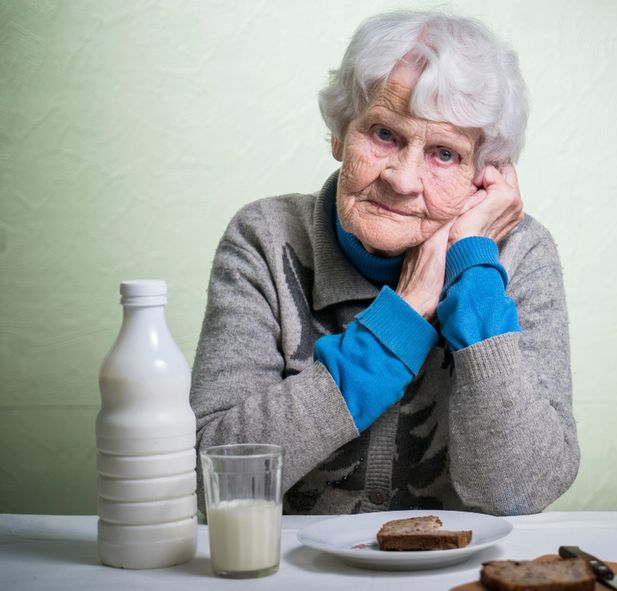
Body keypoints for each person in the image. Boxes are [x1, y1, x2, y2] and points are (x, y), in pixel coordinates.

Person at [191, 9, 579, 516]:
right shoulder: (265, 240)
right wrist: (400, 322)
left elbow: (521, 491)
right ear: (339, 133)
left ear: (484, 176)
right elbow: (210, 477)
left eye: (444, 154)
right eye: (384, 134)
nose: (401, 179)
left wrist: (477, 274)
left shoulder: (520, 254)